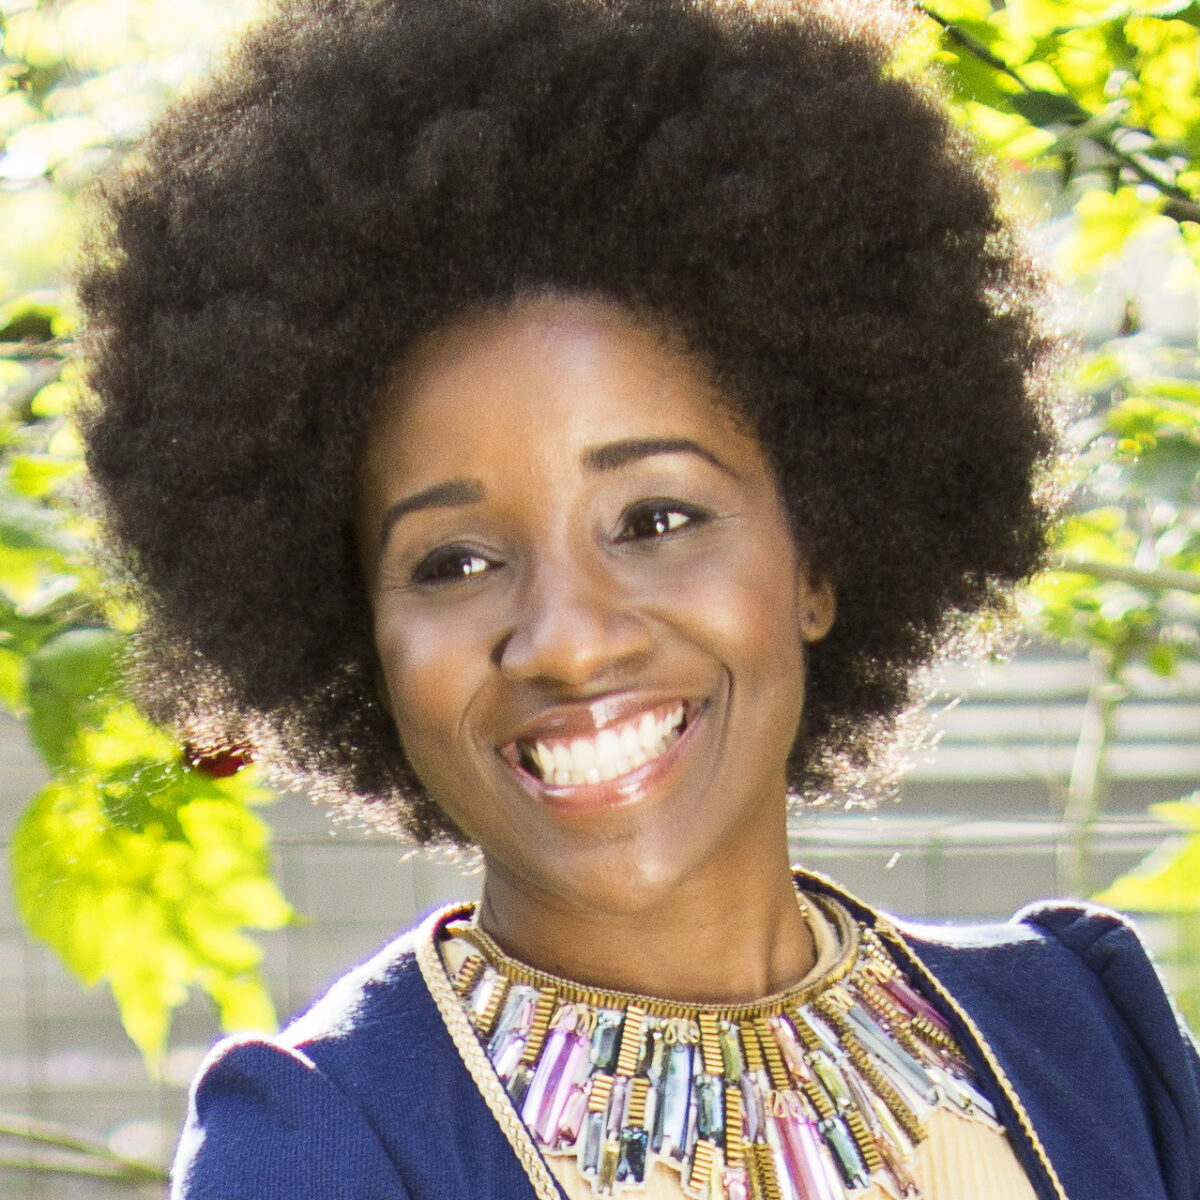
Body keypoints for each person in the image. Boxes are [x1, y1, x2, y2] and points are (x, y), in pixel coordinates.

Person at [77, 0, 1200, 1197]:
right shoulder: (324, 1144)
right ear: (356, 635)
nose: (566, 639)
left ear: (819, 555)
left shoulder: (1085, 1033)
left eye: (657, 521)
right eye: (452, 562)